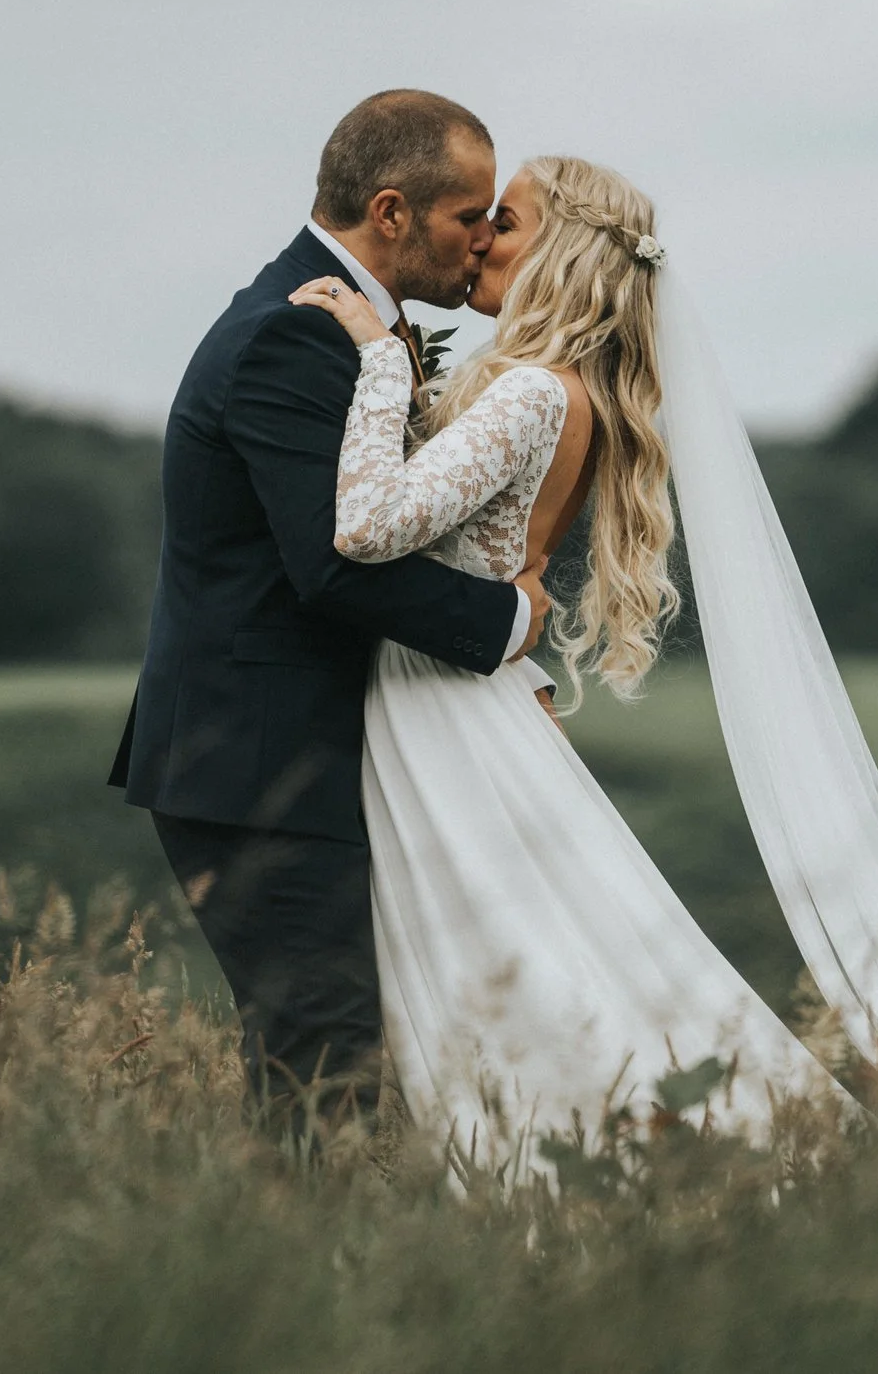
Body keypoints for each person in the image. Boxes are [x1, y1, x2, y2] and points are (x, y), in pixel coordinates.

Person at [288, 154, 878, 1172]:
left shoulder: (527, 394)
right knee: (545, 956)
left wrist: (380, 359)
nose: (477, 239)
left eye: (503, 224)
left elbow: (373, 524)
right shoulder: (559, 391)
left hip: (444, 716)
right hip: (458, 700)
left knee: (521, 967)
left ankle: (657, 1163)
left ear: (559, 251)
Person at [108, 90, 550, 1105]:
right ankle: (301, 1256)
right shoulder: (293, 333)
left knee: (333, 1055)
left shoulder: (337, 320)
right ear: (390, 212)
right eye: (465, 215)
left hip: (295, 749)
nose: (482, 238)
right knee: (324, 1065)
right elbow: (333, 561)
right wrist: (511, 622)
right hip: (255, 760)